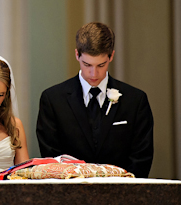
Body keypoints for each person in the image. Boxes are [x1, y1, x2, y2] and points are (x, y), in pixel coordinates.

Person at [36, 22, 154, 178]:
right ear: (77, 54)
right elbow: (51, 158)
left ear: (111, 56)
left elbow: (141, 158)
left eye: (101, 65)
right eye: (87, 64)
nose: (94, 73)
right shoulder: (52, 100)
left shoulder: (135, 100)